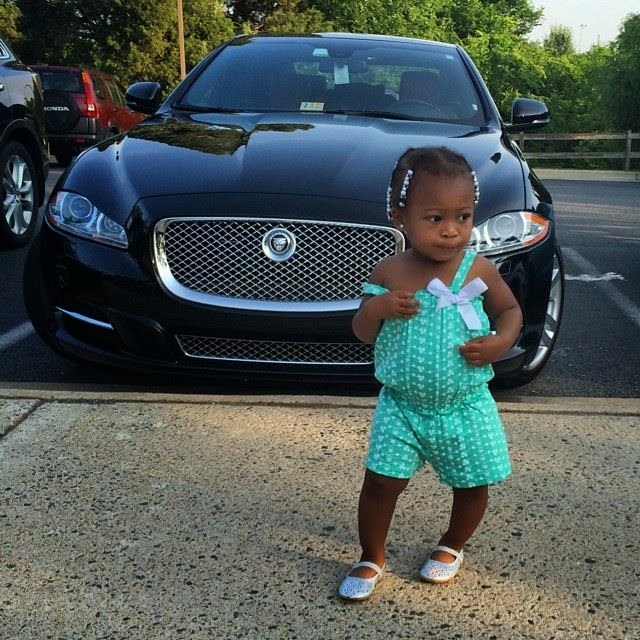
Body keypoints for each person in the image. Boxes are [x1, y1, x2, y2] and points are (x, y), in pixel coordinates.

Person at [338, 146, 523, 601]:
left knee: (472, 483)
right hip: (402, 407)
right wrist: (377, 308)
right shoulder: (389, 272)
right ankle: (371, 555)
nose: (451, 230)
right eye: (435, 218)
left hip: (464, 406)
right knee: (380, 482)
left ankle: (452, 544)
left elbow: (510, 310)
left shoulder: (477, 269)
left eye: (463, 217)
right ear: (400, 216)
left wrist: (500, 342)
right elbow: (362, 331)